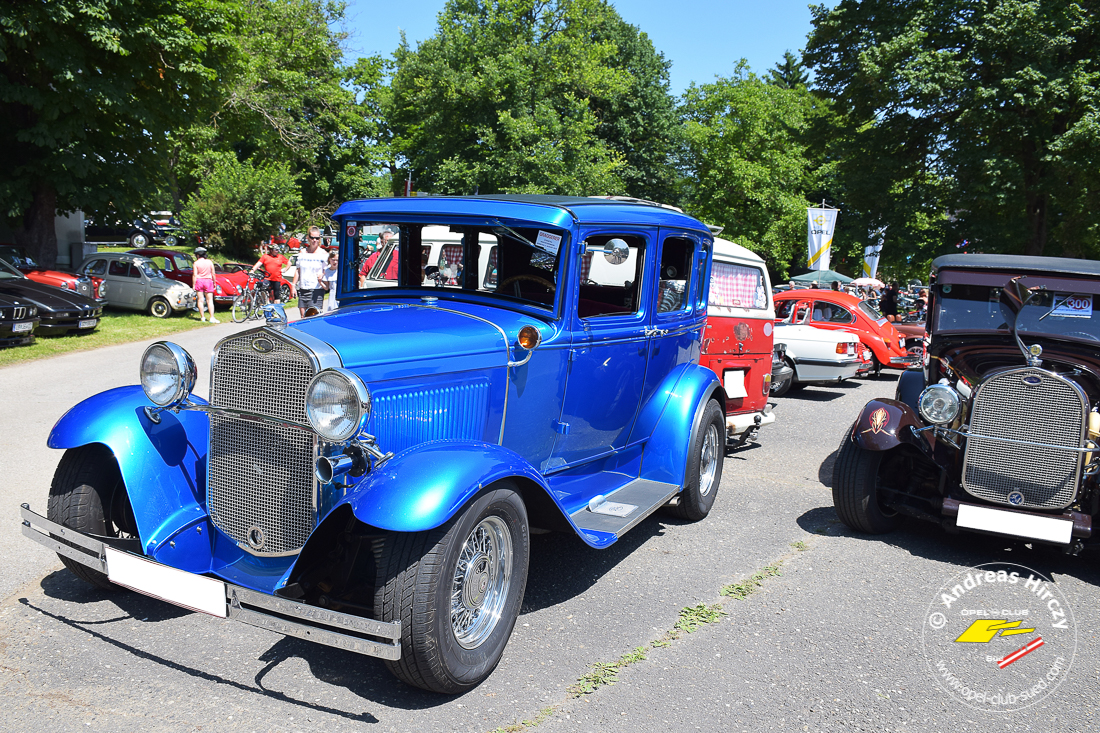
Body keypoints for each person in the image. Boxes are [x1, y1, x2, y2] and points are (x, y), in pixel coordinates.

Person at [294, 226, 329, 317]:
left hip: (316, 290)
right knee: (302, 317)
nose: (314, 240)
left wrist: (323, 275)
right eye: (312, 238)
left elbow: (328, 271)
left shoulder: (323, 254)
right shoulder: (302, 253)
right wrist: (293, 286)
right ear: (308, 238)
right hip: (302, 289)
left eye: (317, 238)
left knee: (312, 318)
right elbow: (298, 270)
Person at [192, 247, 219, 323]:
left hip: (199, 281)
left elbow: (195, 275)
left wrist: (194, 284)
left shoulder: (196, 263)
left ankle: (202, 317)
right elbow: (213, 273)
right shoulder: (209, 262)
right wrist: (214, 282)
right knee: (209, 300)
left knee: (200, 300)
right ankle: (211, 317)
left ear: (197, 255)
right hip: (208, 280)